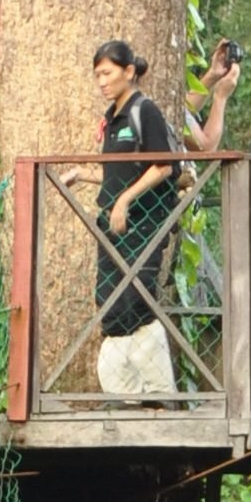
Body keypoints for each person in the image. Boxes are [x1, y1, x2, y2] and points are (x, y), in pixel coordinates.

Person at [91, 38, 181, 395]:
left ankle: (159, 395)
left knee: (138, 301)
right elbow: (123, 171)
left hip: (144, 220)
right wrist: (82, 176)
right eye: (97, 75)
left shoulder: (145, 111)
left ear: (129, 72)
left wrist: (125, 200)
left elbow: (163, 166)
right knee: (111, 304)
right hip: (114, 225)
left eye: (107, 73)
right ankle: (123, 397)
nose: (101, 82)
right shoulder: (113, 118)